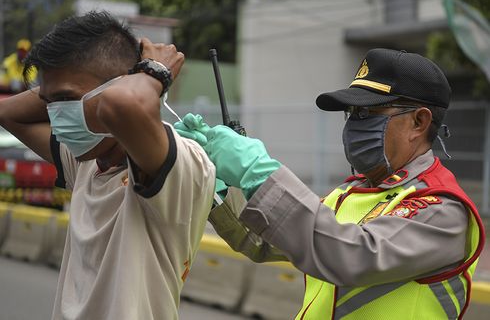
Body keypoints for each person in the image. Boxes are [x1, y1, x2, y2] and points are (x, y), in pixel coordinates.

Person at [175, 48, 486, 319]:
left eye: (368, 112)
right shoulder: (350, 193)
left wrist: (257, 170)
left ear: (419, 122)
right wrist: (212, 181)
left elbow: (352, 256)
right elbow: (266, 242)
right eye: (351, 112)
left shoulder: (442, 210)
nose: (354, 124)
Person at [0, 11, 216, 319]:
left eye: (66, 100)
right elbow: (8, 113)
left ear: (120, 87)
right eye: (50, 104)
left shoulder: (180, 166)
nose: (57, 115)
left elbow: (123, 106)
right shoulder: (85, 164)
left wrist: (152, 71)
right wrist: (59, 88)